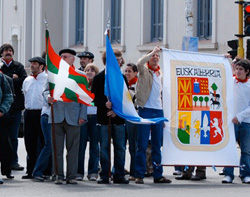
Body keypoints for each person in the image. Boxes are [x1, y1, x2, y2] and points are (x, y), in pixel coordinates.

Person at [48, 48, 87, 185]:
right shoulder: (53, 73)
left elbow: (84, 97)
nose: (63, 59)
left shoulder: (80, 75)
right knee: (56, 148)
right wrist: (48, 97)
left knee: (73, 149)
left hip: (74, 116)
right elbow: (45, 90)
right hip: (56, 115)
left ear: (73, 59)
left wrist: (83, 115)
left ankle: (71, 175)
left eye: (66, 57)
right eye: (61, 57)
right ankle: (58, 174)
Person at [134, 46, 171, 184]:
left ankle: (158, 174)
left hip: (158, 110)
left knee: (156, 145)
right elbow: (139, 63)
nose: (155, 59)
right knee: (142, 144)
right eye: (153, 57)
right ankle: (139, 174)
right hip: (146, 109)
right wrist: (151, 53)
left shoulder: (161, 74)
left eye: (157, 57)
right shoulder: (145, 71)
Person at [91, 49, 129, 184]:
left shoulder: (122, 78)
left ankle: (119, 174)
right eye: (116, 59)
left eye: (120, 59)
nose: (119, 62)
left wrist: (116, 111)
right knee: (105, 148)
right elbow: (94, 98)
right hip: (104, 118)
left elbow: (125, 99)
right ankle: (105, 174)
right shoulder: (99, 78)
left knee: (120, 148)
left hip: (118, 119)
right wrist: (104, 104)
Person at [222, 59, 250, 184]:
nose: (238, 72)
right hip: (231, 122)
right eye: (236, 69)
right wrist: (225, 59)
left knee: (245, 150)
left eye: (241, 69)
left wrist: (240, 116)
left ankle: (245, 174)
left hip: (246, 122)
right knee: (230, 148)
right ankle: (228, 174)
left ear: (247, 71)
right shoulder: (231, 82)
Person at [0, 44, 27, 171]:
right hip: (2, 109)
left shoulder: (18, 66)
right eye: (6, 51)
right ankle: (4, 163)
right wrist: (13, 78)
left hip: (15, 107)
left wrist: (15, 79)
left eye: (10, 50)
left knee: (13, 137)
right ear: (1, 53)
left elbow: (24, 80)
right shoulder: (0, 66)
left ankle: (13, 161)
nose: (8, 52)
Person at [22, 57, 47, 179]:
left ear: (41, 66)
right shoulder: (27, 80)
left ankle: (44, 170)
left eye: (35, 63)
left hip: (41, 113)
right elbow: (25, 95)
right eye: (31, 63)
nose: (32, 65)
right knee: (29, 142)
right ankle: (30, 170)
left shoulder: (47, 79)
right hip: (29, 113)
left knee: (42, 142)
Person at [76, 63, 100, 181]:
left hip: (95, 117)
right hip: (83, 117)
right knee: (81, 146)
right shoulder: (81, 85)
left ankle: (93, 172)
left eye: (92, 70)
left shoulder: (99, 85)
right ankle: (79, 172)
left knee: (94, 146)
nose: (89, 72)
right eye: (87, 70)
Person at [124, 63, 138, 181]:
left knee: (133, 147)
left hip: (133, 118)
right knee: (120, 146)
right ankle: (118, 170)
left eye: (129, 71)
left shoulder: (137, 85)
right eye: (126, 71)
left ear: (135, 73)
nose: (127, 73)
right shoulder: (122, 84)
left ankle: (134, 171)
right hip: (122, 118)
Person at [0, 73, 15, 180]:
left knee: (5, 146)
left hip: (1, 116)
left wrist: (2, 110)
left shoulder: (1, 78)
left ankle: (6, 170)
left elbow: (8, 95)